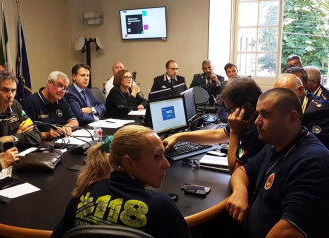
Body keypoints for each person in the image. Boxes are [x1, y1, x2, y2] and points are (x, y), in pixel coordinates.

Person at [226, 88, 329, 237]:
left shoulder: (312, 164)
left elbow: (288, 232)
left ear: (292, 118)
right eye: (257, 114)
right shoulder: (275, 145)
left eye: (265, 114)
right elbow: (241, 172)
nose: (257, 121)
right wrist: (239, 192)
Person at [52, 125, 191, 238]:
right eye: (157, 156)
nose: (167, 164)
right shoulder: (162, 206)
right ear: (129, 164)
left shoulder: (84, 193)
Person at [164, 77, 266, 174]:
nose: (228, 115)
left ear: (247, 106)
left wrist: (234, 132)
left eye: (230, 110)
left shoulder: (256, 129)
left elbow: (234, 171)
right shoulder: (248, 119)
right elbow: (216, 135)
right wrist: (179, 136)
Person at [274, 74, 329, 157]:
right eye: (275, 94)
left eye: (283, 94)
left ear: (300, 91)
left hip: (323, 161)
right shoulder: (294, 105)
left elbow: (310, 148)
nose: (277, 100)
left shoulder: (323, 112)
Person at [0, 71, 41, 151]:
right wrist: (19, 136)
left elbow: (36, 135)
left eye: (13, 90)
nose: (10, 95)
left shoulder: (15, 105)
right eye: (5, 90)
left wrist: (11, 138)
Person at [22, 71, 78, 139]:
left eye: (65, 88)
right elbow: (25, 132)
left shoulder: (61, 100)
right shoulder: (31, 102)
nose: (62, 91)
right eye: (60, 86)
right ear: (49, 83)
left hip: (61, 141)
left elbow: (74, 121)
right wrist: (46, 134)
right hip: (40, 144)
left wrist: (67, 126)